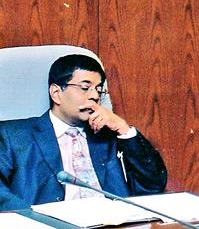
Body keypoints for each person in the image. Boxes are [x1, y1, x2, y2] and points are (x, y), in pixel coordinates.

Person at [0, 54, 167, 211]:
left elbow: (153, 186)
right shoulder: (13, 135)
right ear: (56, 93)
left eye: (99, 89)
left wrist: (124, 130)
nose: (94, 96)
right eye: (85, 87)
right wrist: (34, 218)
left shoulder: (109, 135)